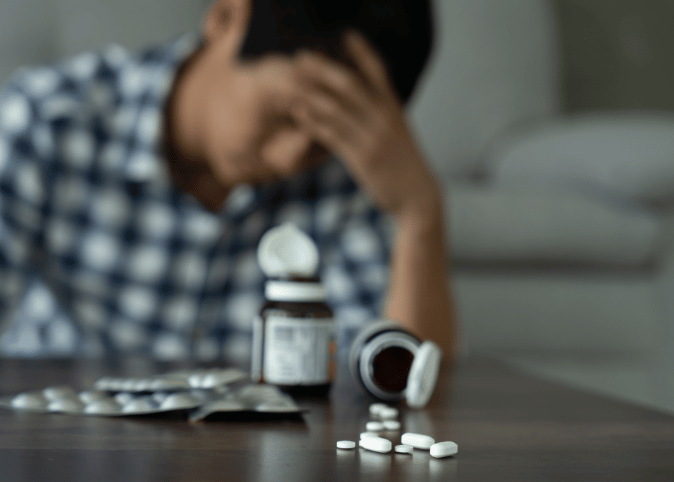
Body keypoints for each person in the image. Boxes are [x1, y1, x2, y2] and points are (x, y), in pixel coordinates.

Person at [0, 0, 456, 362]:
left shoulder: (354, 170)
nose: (292, 156)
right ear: (225, 16)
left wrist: (419, 212)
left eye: (326, 140)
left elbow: (404, 384)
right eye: (289, 115)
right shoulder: (48, 119)